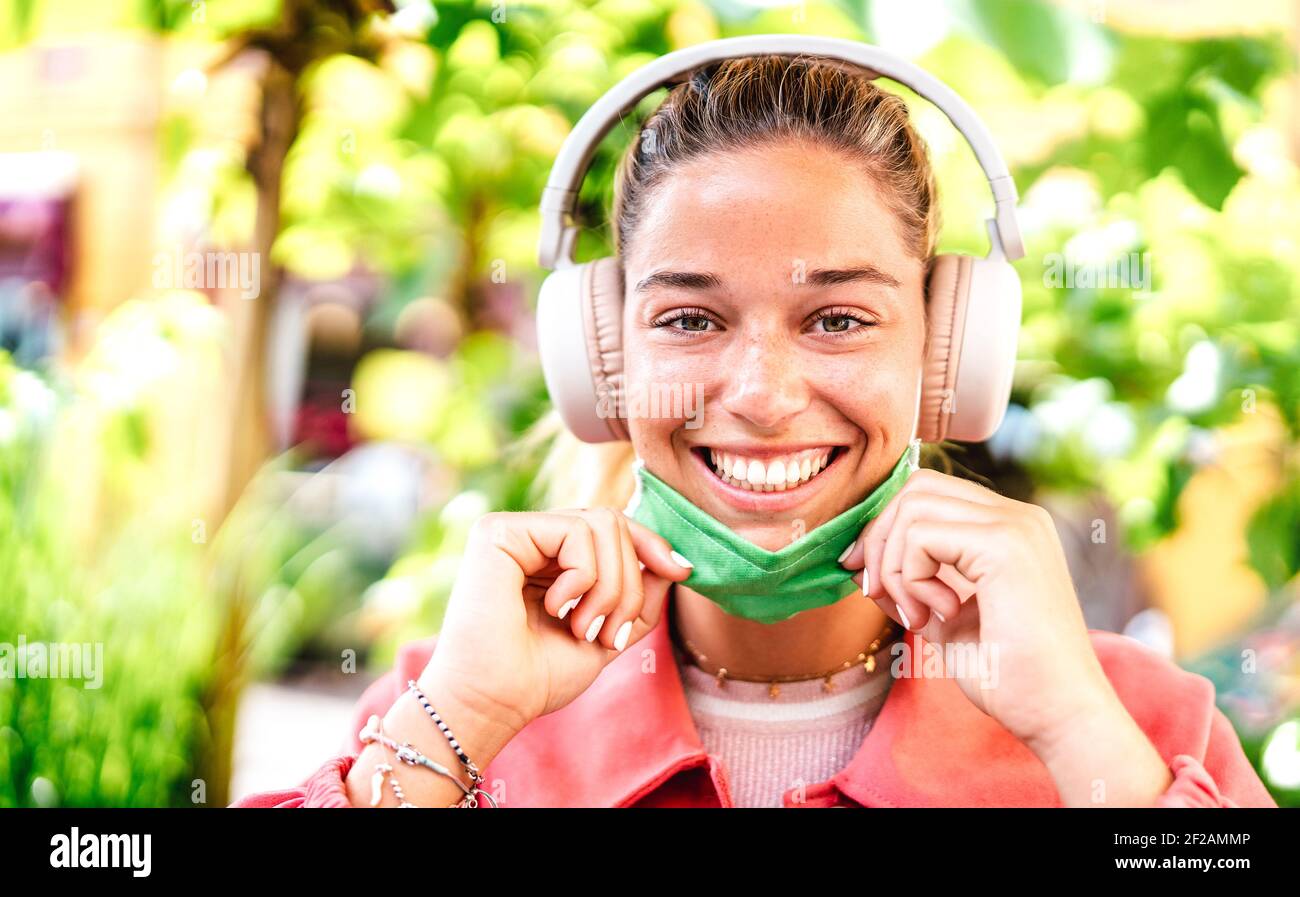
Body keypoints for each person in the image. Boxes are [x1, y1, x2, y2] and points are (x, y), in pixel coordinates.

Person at [233, 50, 1276, 809]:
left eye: (837, 318)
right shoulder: (459, 704)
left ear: (946, 353)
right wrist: (450, 738)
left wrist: (1076, 734)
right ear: (603, 361)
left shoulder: (1137, 723)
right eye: (689, 319)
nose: (765, 394)